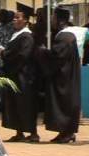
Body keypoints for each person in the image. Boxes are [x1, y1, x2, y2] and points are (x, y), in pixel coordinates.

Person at [0, 3, 39, 142]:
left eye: (17, 17)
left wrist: (4, 53)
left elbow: (22, 56)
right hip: (15, 75)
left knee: (26, 105)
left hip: (24, 76)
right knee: (16, 104)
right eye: (14, 18)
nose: (14, 20)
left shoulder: (27, 36)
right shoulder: (16, 35)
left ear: (26, 20)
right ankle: (19, 132)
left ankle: (33, 134)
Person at [40, 7, 81, 143]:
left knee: (64, 104)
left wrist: (43, 51)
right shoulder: (66, 36)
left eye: (53, 18)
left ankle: (67, 133)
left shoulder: (65, 37)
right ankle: (66, 132)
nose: (51, 20)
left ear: (60, 20)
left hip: (64, 79)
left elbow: (56, 57)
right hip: (66, 76)